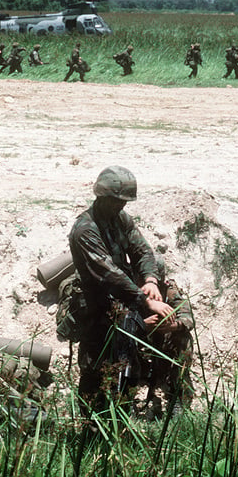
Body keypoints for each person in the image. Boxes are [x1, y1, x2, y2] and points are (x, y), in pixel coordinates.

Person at [68, 166, 175, 420]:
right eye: (117, 201)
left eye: (124, 202)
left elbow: (142, 251)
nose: (121, 207)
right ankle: (92, 429)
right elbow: (108, 274)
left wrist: (150, 279)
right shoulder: (85, 229)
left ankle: (121, 421)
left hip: (123, 304)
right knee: (96, 371)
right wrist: (146, 302)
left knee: (127, 365)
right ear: (102, 196)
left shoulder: (120, 219)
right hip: (97, 309)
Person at [142, 259, 195, 417]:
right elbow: (120, 318)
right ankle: (132, 397)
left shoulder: (170, 291)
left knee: (184, 338)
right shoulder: (134, 289)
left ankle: (178, 396)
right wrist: (141, 325)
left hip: (163, 343)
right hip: (141, 340)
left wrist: (172, 326)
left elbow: (188, 318)